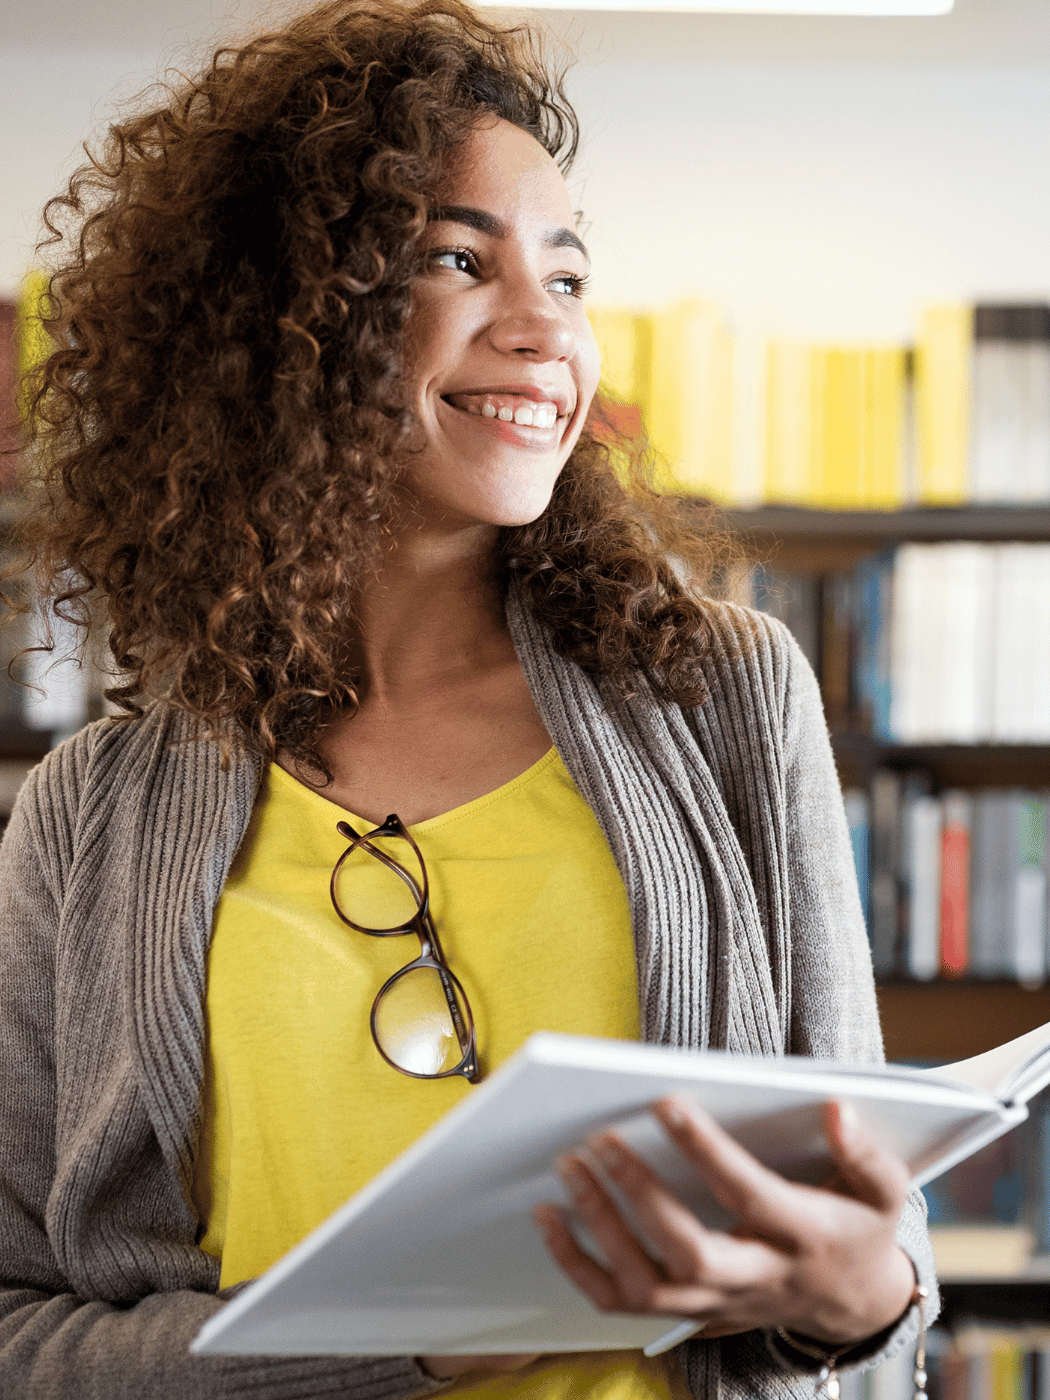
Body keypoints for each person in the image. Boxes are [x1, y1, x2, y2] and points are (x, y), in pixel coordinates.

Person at [0, 1, 936, 1396]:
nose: (544, 333)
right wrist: (430, 1341)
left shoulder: (722, 695)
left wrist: (865, 1294)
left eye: (566, 280)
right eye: (456, 258)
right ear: (282, 323)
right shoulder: (90, 814)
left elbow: (867, 1272)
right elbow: (25, 1336)